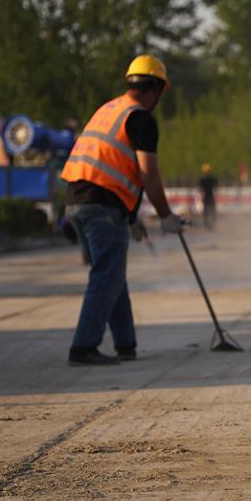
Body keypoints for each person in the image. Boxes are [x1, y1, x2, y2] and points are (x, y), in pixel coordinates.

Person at [61, 54, 183, 366]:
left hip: (78, 202)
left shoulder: (109, 109)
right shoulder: (140, 119)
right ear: (155, 89)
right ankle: (83, 347)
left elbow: (109, 166)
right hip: (101, 206)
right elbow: (148, 173)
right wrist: (166, 215)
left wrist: (130, 216)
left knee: (112, 274)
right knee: (107, 276)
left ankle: (126, 344)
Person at [198, 163, 217, 230]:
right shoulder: (212, 179)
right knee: (211, 210)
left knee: (206, 211)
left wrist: (201, 197)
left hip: (206, 197)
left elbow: (201, 190)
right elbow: (216, 188)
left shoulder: (202, 180)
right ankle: (211, 223)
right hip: (210, 197)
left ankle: (207, 224)